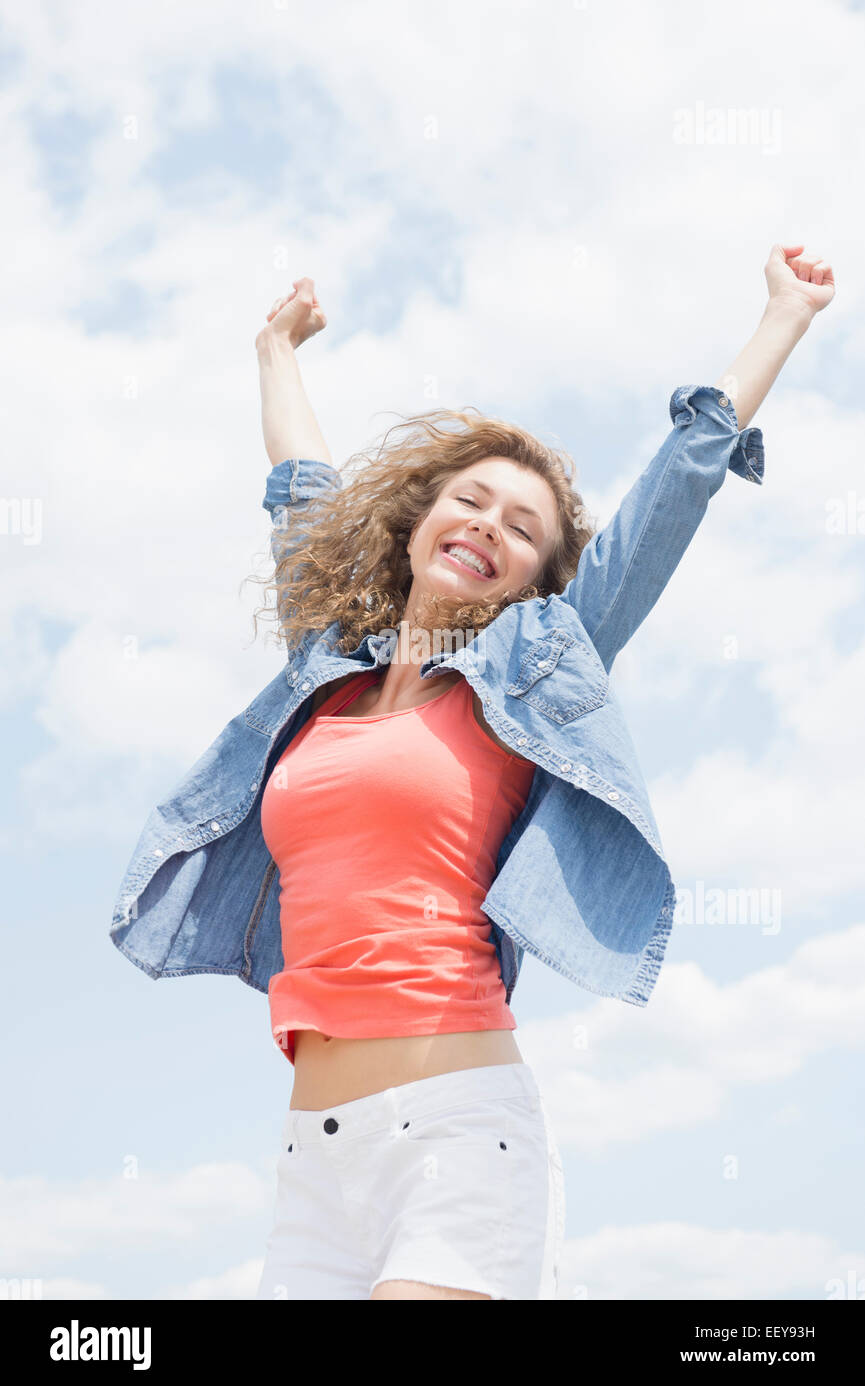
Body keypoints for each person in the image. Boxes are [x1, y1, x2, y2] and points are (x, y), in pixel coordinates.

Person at [110, 248, 834, 1299]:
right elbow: (301, 497)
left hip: (459, 1134)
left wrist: (782, 317)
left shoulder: (528, 673)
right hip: (315, 1160)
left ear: (536, 580)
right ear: (418, 523)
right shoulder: (325, 672)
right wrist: (274, 351)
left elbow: (663, 507)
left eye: (523, 528)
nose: (490, 525)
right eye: (473, 500)